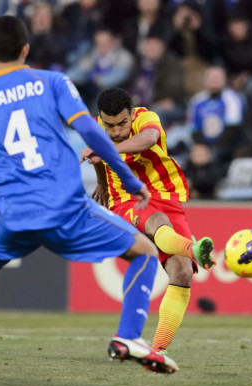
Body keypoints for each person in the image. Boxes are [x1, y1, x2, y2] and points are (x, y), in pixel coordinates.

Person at [0, 16, 179, 386]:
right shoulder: (52, 82)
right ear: (27, 48)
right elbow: (90, 130)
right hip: (64, 207)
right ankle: (128, 336)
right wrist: (128, 179)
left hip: (8, 214)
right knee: (143, 251)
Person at [80, 87, 215, 354]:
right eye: (109, 126)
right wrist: (101, 182)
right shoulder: (93, 128)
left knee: (183, 272)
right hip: (126, 199)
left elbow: (149, 139)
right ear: (100, 119)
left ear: (132, 114)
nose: (116, 130)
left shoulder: (146, 119)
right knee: (157, 220)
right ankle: (192, 248)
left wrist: (107, 149)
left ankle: (158, 351)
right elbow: (96, 155)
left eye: (122, 123)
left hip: (164, 193)